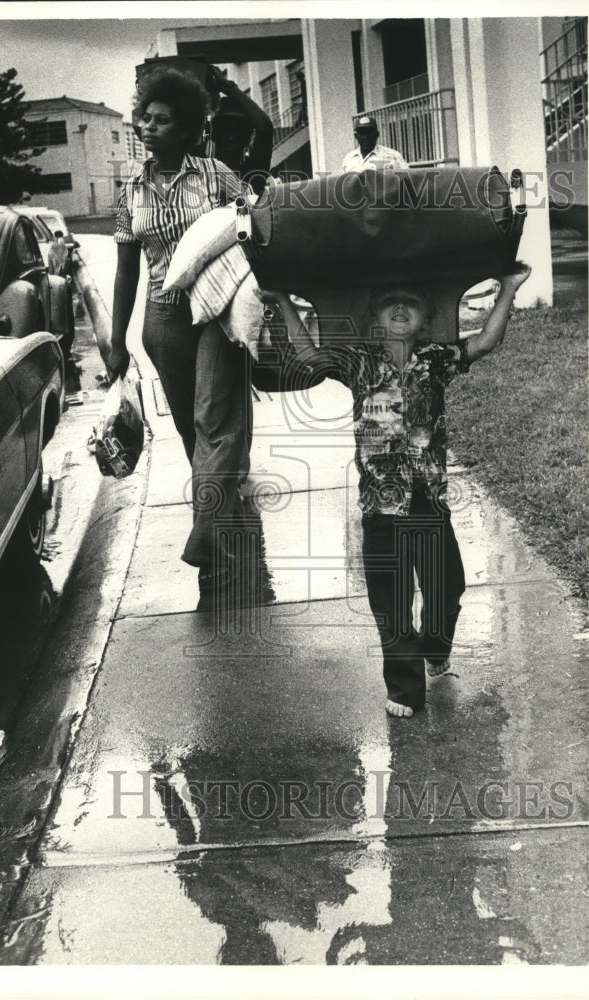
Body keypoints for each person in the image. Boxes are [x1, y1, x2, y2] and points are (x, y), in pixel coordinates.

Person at [254, 262, 532, 717]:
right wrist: (284, 303)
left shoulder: (435, 360)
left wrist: (508, 290)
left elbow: (483, 342)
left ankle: (436, 646)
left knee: (447, 590)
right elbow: (309, 359)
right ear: (374, 319)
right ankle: (404, 689)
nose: (401, 307)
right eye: (390, 302)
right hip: (380, 508)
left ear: (426, 320)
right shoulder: (359, 361)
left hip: (428, 504)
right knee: (392, 604)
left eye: (412, 302)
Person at [103, 68, 250, 594]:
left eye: (161, 120)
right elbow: (126, 271)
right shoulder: (130, 192)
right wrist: (117, 341)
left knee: (215, 420)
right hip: (163, 320)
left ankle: (206, 538)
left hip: (215, 311)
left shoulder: (216, 175)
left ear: (186, 128)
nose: (147, 127)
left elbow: (254, 226)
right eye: (144, 117)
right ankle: (223, 507)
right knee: (194, 431)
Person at [210, 66, 274, 197]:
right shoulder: (202, 165)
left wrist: (228, 87)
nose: (231, 137)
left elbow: (265, 127)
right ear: (215, 133)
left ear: (247, 137)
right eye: (226, 129)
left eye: (239, 131)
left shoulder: (253, 171)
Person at [342, 114, 408, 173]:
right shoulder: (348, 158)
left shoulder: (393, 156)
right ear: (356, 136)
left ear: (377, 134)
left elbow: (408, 179)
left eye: (369, 133)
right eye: (362, 133)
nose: (365, 137)